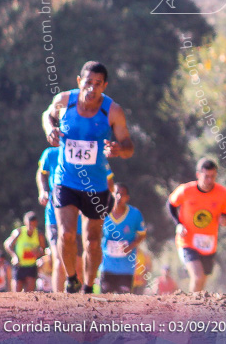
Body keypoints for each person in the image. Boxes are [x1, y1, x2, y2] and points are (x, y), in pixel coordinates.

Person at [42, 61, 134, 293]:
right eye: (88, 82)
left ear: (105, 86)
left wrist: (118, 150)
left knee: (93, 242)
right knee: (67, 233)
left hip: (96, 185)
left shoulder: (112, 111)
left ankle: (89, 285)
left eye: (98, 84)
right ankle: (72, 278)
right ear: (78, 81)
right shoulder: (65, 101)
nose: (92, 88)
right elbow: (47, 115)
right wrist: (49, 129)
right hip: (66, 181)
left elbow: (129, 146)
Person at [38, 145, 114, 292]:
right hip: (56, 216)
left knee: (79, 265)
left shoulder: (92, 152)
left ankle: (79, 300)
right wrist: (43, 191)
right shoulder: (51, 153)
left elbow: (109, 180)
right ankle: (59, 302)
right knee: (59, 261)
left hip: (83, 220)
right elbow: (42, 173)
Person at [168, 158, 226, 292]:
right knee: (197, 277)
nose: (210, 180)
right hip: (187, 241)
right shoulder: (186, 190)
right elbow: (171, 204)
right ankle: (191, 309)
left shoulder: (222, 193)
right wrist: (178, 224)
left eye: (213, 176)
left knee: (202, 280)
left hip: (208, 243)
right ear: (198, 175)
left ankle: (194, 307)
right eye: (206, 176)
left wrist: (225, 220)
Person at [98, 182, 147, 294]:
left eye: (122, 194)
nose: (119, 196)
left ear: (127, 197)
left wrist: (131, 246)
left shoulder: (135, 214)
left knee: (124, 302)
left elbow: (142, 234)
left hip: (127, 268)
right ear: (111, 194)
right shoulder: (103, 212)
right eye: (116, 193)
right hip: (107, 266)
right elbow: (94, 232)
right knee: (105, 301)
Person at [4, 211, 46, 292]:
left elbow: (43, 250)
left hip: (31, 266)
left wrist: (38, 253)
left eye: (33, 225)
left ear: (36, 223)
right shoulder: (19, 232)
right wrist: (14, 256)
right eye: (29, 224)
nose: (31, 227)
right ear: (25, 223)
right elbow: (7, 245)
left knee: (29, 293)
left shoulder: (39, 234)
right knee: (17, 292)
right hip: (19, 266)